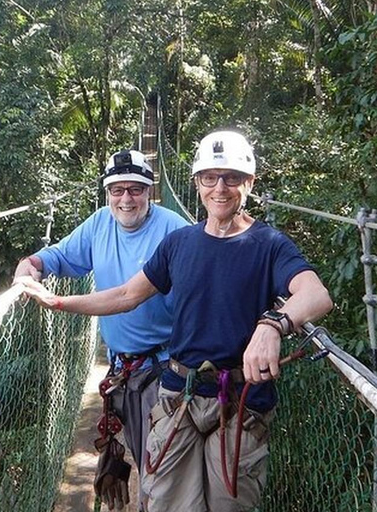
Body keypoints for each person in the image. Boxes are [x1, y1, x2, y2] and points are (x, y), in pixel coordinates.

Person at [17, 130, 333, 512]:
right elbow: (125, 295)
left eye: (232, 178)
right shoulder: (180, 243)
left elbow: (316, 295)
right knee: (165, 502)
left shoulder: (268, 244)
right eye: (209, 177)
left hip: (237, 402)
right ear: (197, 183)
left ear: (249, 183)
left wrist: (272, 325)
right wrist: (59, 301)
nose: (220, 188)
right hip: (177, 395)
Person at [14, 149, 189, 510]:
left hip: (166, 369)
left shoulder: (176, 230)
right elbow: (58, 258)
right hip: (123, 368)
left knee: (161, 473)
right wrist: (29, 265)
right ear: (107, 193)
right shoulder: (98, 224)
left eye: (136, 189)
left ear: (151, 191)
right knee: (144, 461)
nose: (126, 199)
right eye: (117, 190)